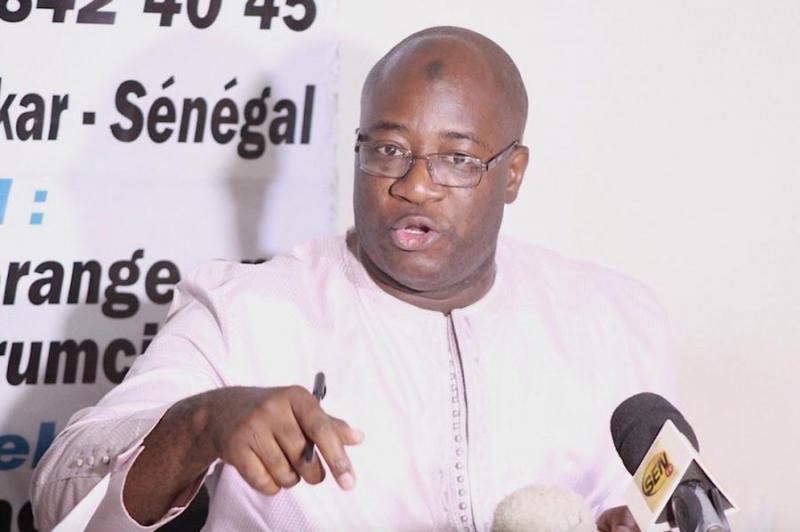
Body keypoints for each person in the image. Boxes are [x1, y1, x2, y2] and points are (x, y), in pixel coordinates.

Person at [31, 26, 670, 531]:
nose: (413, 186)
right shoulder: (244, 312)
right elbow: (61, 498)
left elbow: (657, 501)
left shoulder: (614, 319)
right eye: (389, 150)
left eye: (456, 158)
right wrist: (200, 425)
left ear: (513, 173)